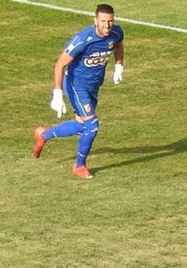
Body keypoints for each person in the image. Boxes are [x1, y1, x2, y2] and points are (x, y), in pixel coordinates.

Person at [32, 4, 125, 178]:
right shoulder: (83, 39)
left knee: (82, 126)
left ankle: (44, 135)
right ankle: (79, 166)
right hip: (76, 85)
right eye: (103, 21)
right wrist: (57, 94)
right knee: (92, 126)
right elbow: (60, 64)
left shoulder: (116, 33)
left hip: (94, 86)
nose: (107, 25)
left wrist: (119, 65)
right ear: (95, 20)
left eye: (110, 21)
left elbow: (118, 46)